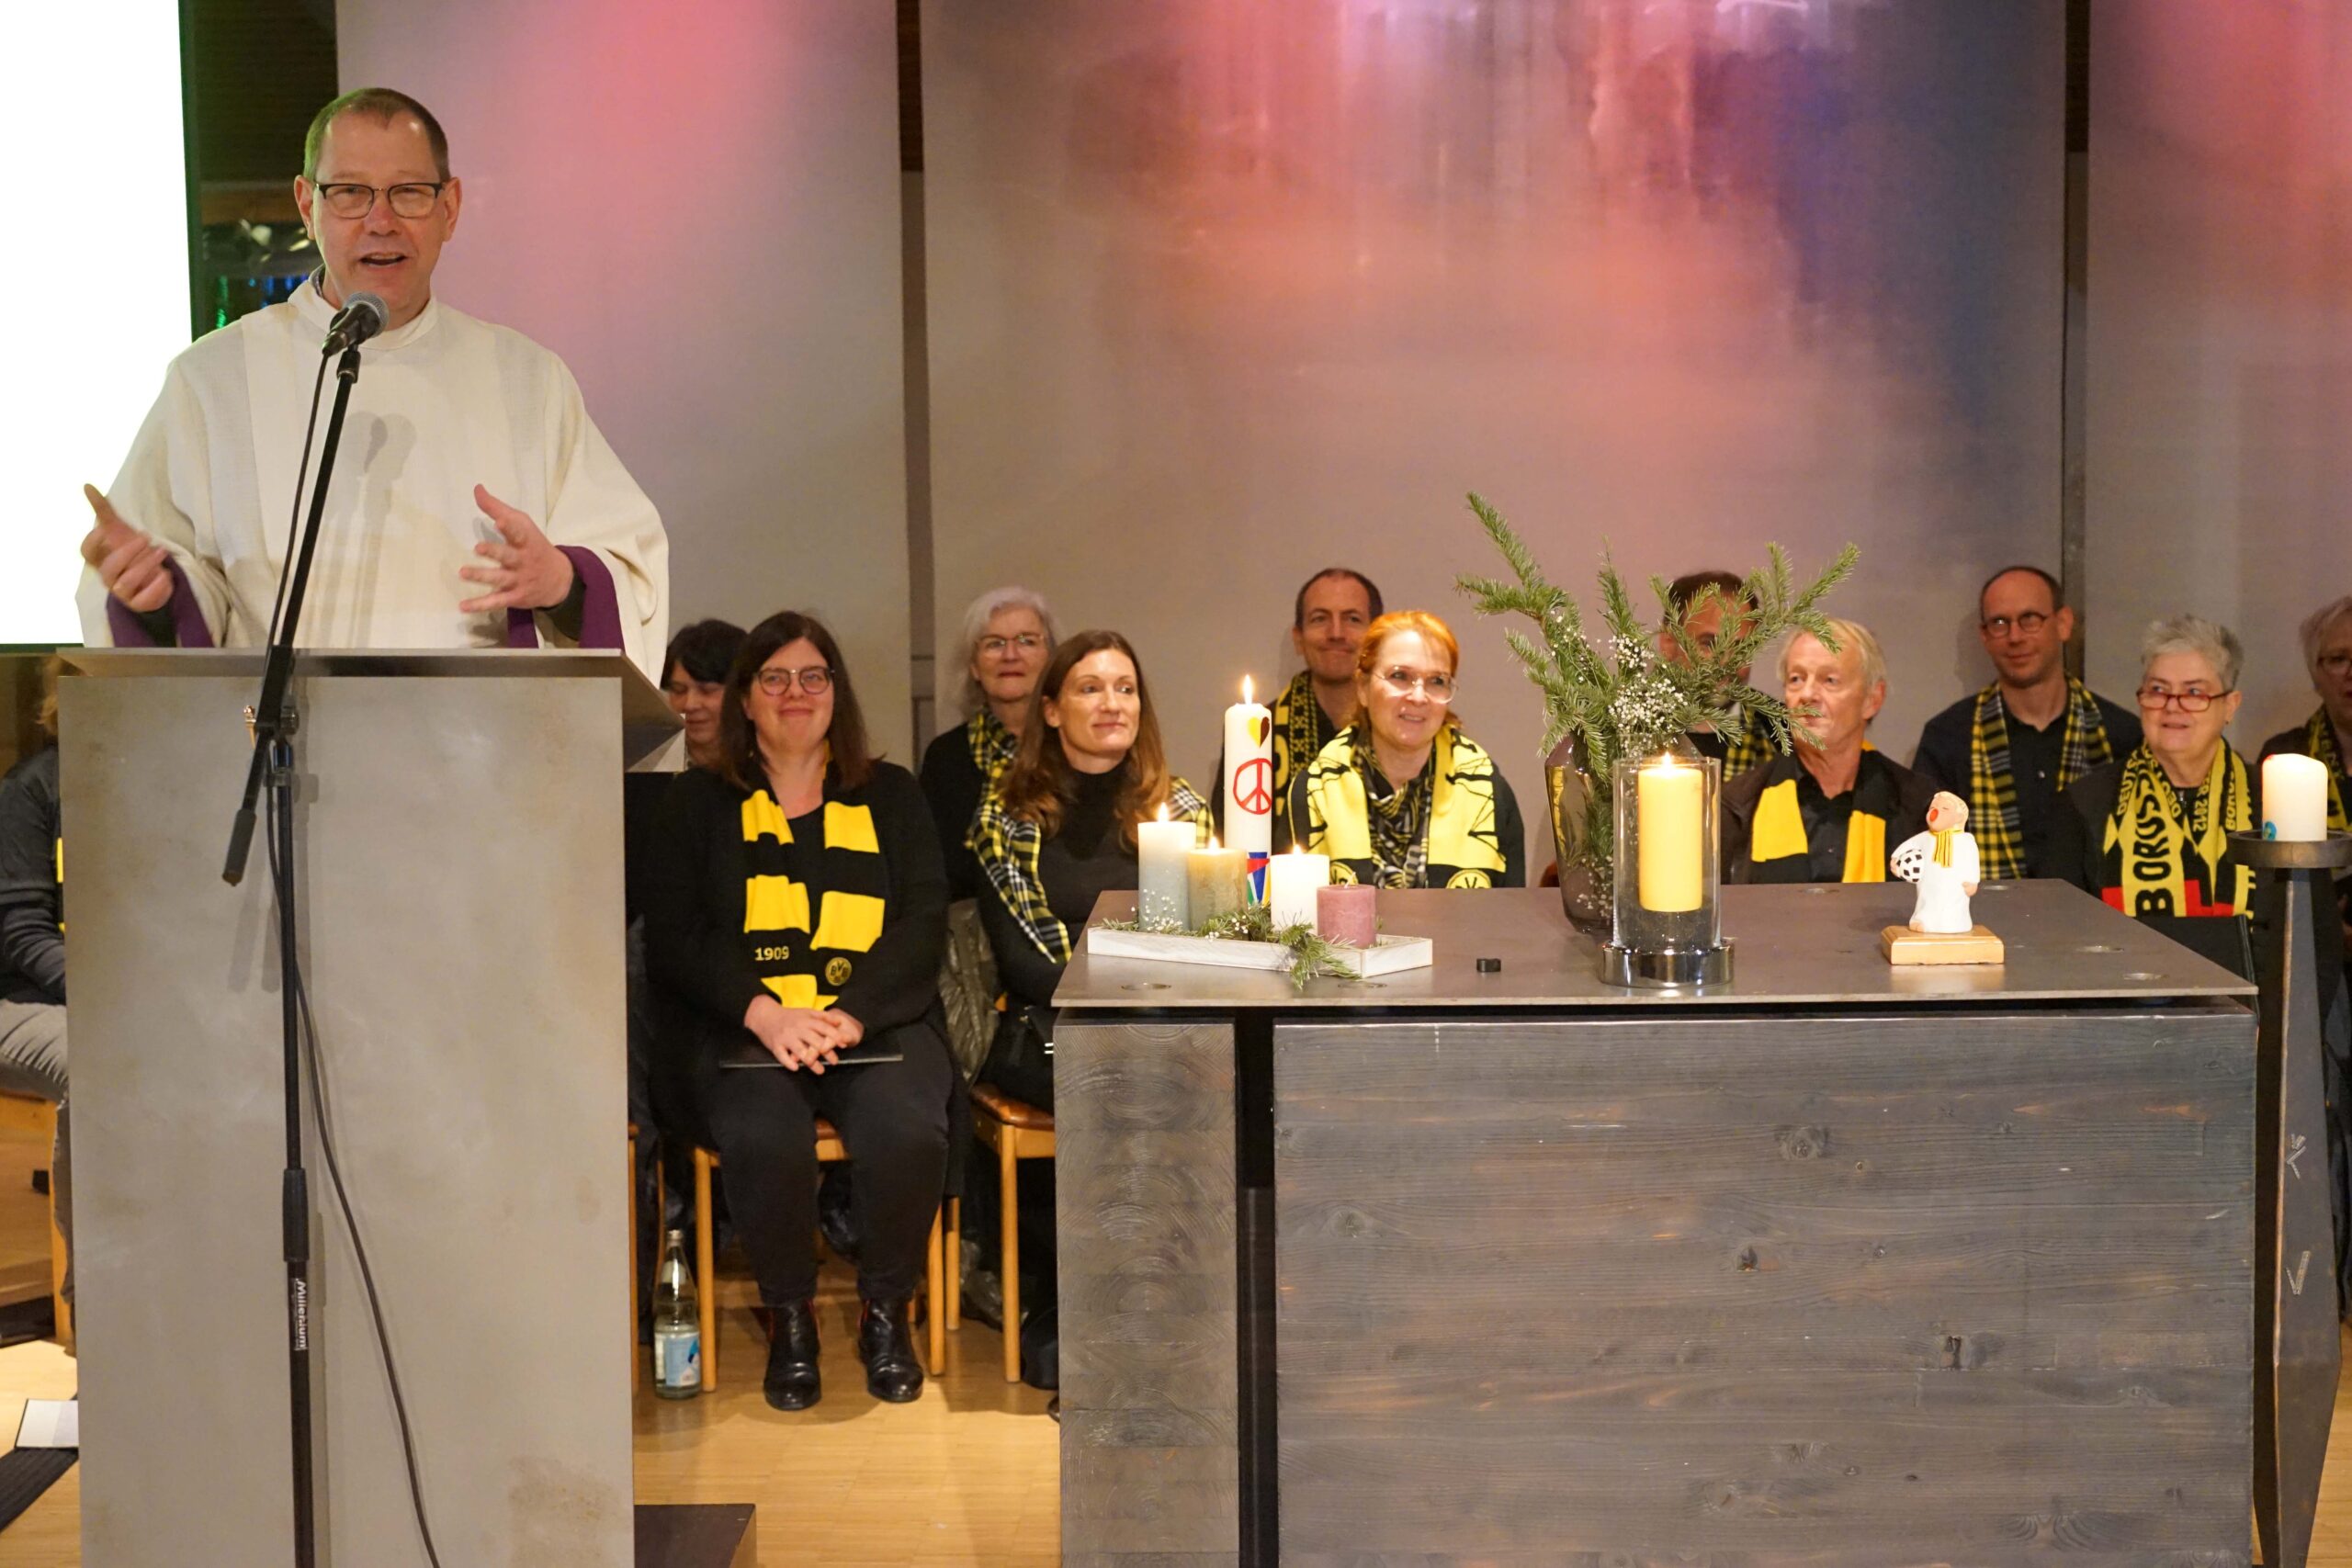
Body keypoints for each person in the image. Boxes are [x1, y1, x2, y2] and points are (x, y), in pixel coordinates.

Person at [75, 88, 668, 676]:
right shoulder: (211, 380)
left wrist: (562, 580)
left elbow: (627, 566)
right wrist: (158, 594)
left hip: (482, 753)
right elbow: (182, 594)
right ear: (308, 206)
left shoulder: (531, 382)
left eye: (408, 193)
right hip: (280, 752)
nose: (380, 221)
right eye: (351, 193)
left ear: (450, 208)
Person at [644, 612, 953, 1411]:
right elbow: (679, 938)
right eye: (773, 677)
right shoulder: (695, 804)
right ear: (745, 699)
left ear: (836, 692)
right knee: (762, 1130)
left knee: (906, 1127)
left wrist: (847, 1013)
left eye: (812, 675)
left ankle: (887, 1311)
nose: (794, 692)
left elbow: (922, 924)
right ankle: (791, 1316)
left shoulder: (894, 795)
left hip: (873, 1026)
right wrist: (768, 1012)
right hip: (744, 1028)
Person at [967, 630, 1212, 1385]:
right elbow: (1028, 964)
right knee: (1125, 1092)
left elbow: (1211, 938)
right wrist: (1130, 989)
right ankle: (1105, 1311)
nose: (1113, 702)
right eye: (1090, 687)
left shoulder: (1182, 811)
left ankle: (1174, 1302)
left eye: (1126, 687)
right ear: (1049, 707)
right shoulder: (1007, 816)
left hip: (1163, 1026)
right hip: (1051, 1028)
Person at [1910, 567, 2140, 881]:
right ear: (1985, 636)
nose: (2015, 637)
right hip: (1981, 922)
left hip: (2097, 924)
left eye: (2030, 619)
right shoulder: (1948, 739)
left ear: (2063, 624)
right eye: (2000, 623)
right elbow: (1929, 853)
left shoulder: (2122, 735)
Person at [1289, 610, 1526, 888]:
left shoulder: (1489, 791)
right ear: (1363, 687)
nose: (1418, 696)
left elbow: (1508, 921)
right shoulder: (1313, 791)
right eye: (1400, 676)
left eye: (1437, 681)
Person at [2048, 615, 2258, 925]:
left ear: (2229, 705)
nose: (2173, 706)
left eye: (2194, 693)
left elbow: (2312, 937)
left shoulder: (2272, 801)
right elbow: (2059, 930)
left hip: (2250, 975)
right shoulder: (2084, 805)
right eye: (2158, 690)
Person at [1724, 620, 1935, 883]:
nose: (1808, 694)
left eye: (1830, 680)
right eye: (1796, 679)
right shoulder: (1734, 807)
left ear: (1872, 699)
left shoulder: (1921, 807)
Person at [1213, 568, 1383, 849]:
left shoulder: (1399, 729)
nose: (1336, 633)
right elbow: (1228, 839)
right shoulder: (1255, 730)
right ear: (1298, 638)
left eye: (1352, 619)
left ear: (1376, 636)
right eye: (1320, 619)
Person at [0, 663, 68, 1313]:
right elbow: (24, 936)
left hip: (114, 1001)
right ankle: (95, 1303)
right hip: (19, 1000)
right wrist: (113, 997)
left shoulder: (156, 778)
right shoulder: (32, 790)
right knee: (98, 1062)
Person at [922, 588, 1058, 901]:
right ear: (973, 666)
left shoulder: (1074, 748)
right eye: (995, 644)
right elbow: (935, 874)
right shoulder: (945, 758)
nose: (1011, 655)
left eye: (1026, 640)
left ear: (1050, 657)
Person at [2259, 594, 2352, 959]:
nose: (2350, 672)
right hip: (2311, 956)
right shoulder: (2285, 756)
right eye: (2337, 659)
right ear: (2315, 675)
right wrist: (2329, 932)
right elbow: (2270, 878)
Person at [1659, 569, 1769, 775]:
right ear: (1669, 642)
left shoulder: (1785, 736)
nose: (1725, 663)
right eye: (1709, 644)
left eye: (1741, 648)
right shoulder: (1618, 733)